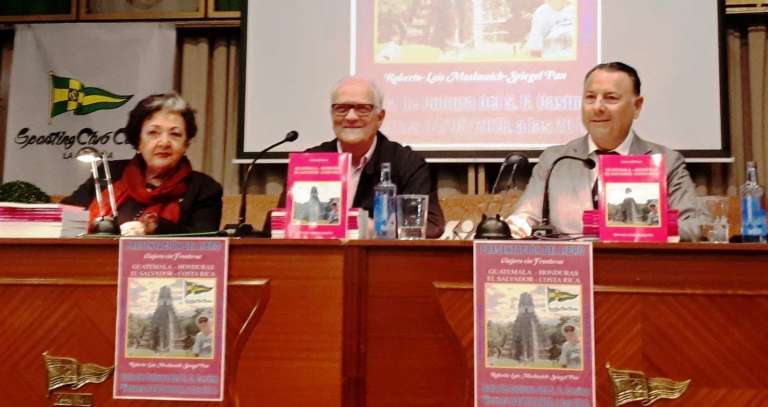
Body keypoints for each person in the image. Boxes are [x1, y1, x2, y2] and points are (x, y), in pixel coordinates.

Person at [507, 62, 699, 241]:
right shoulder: (555, 159)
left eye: (611, 98)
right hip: (571, 263)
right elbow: (525, 216)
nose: (597, 107)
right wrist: (514, 226)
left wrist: (641, 229)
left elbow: (695, 225)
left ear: (637, 106)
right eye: (590, 97)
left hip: (636, 263)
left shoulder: (667, 162)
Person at [269, 76, 445, 238]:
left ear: (380, 117)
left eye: (362, 109)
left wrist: (376, 229)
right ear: (332, 115)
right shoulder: (310, 161)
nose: (351, 117)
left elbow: (430, 225)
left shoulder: (407, 163)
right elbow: (276, 226)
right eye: (342, 109)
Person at [62, 93, 223, 235]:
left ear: (186, 144)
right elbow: (66, 216)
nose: (164, 142)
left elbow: (207, 239)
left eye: (175, 134)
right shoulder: (109, 173)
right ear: (138, 141)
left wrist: (157, 228)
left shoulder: (203, 188)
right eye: (153, 133)